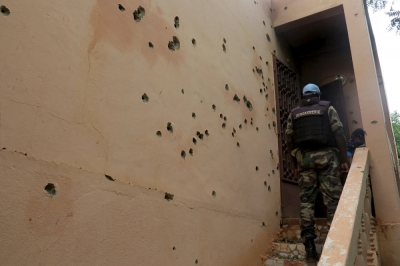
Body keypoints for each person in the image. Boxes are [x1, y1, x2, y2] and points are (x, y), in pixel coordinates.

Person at [285, 83, 350, 263]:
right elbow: (339, 133)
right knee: (332, 200)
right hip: (327, 157)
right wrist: (344, 159)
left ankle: (310, 248)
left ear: (304, 95)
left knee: (306, 202)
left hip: (304, 159)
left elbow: (289, 140)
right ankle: (334, 243)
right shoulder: (327, 108)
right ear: (318, 95)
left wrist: (294, 164)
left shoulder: (294, 113)